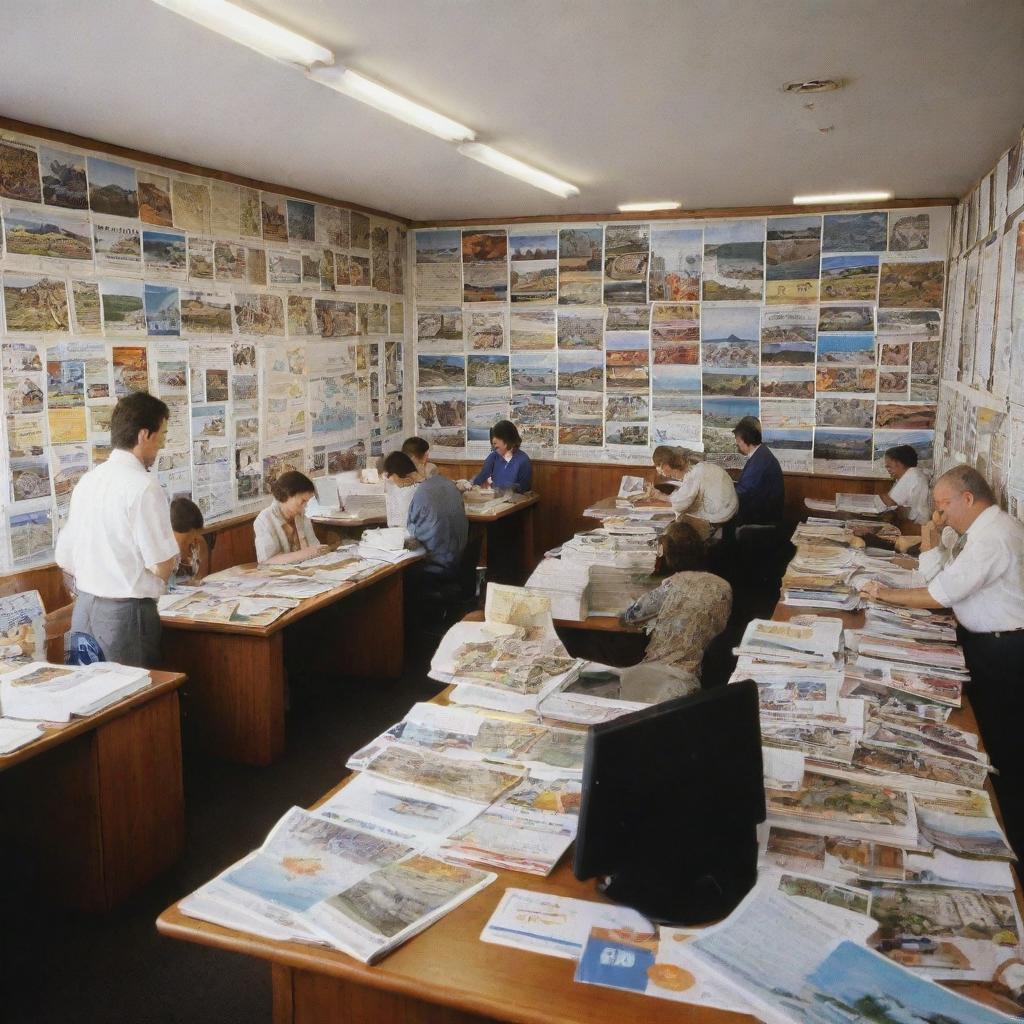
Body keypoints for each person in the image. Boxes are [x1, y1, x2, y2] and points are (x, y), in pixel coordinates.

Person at [859, 465, 1024, 857]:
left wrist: (883, 594)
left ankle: (1008, 834)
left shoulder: (992, 539)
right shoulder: (983, 530)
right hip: (988, 643)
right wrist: (933, 535)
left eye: (943, 505)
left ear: (968, 499)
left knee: (1000, 740)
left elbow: (938, 593)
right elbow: (942, 578)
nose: (940, 514)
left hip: (1003, 653)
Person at [54, 392, 180, 667]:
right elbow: (162, 563)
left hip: (84, 612)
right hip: (125, 616)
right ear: (144, 435)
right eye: (162, 435)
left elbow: (64, 558)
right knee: (133, 701)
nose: (161, 445)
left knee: (93, 701)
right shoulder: (144, 485)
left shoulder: (88, 481)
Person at [617, 520, 733, 703]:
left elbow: (630, 616)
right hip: (700, 671)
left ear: (669, 555)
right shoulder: (723, 586)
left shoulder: (672, 585)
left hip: (667, 675)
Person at [405, 460, 469, 580]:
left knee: (405, 571)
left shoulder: (423, 492)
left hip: (439, 566)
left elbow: (417, 533)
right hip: (457, 561)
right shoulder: (449, 486)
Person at [650, 445, 737, 527]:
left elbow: (680, 504)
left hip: (721, 514)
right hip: (726, 507)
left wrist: (660, 496)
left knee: (679, 522)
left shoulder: (694, 474)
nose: (674, 478)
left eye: (671, 475)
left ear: (670, 466)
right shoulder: (697, 467)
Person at [254, 470, 329, 564]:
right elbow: (266, 562)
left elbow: (314, 546)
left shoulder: (301, 515)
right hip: (278, 576)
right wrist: (305, 553)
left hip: (304, 570)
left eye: (307, 502)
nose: (305, 506)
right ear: (288, 495)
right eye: (303, 501)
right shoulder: (264, 520)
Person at [733, 416, 784, 526]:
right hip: (761, 516)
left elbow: (743, 491)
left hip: (759, 522)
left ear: (743, 438)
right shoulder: (761, 453)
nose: (737, 443)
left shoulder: (760, 460)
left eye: (737, 439)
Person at [470, 420, 532, 493]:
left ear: (507, 439)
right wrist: (469, 484)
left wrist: (504, 488)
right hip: (492, 499)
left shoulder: (523, 459)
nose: (494, 441)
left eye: (497, 437)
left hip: (513, 501)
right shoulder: (493, 456)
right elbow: (481, 478)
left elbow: (524, 488)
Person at [882, 444, 931, 526]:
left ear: (899, 463)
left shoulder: (912, 475)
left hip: (914, 526)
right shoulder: (913, 474)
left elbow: (890, 502)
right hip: (913, 523)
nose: (887, 468)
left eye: (889, 466)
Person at [169, 496, 209, 586]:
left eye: (196, 533)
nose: (194, 539)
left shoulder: (199, 543)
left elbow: (201, 579)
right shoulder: (165, 549)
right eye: (189, 536)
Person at [380, 451, 423, 529]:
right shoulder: (421, 485)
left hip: (409, 535)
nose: (391, 480)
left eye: (390, 476)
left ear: (395, 474)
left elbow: (398, 526)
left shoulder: (407, 492)